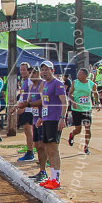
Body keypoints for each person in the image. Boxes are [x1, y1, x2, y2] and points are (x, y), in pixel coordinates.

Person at [34, 61, 69, 190]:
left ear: (52, 71)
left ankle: (56, 179)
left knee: (54, 148)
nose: (44, 72)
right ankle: (52, 177)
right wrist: (41, 118)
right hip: (47, 119)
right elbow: (45, 103)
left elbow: (64, 102)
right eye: (42, 70)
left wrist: (62, 118)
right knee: (48, 147)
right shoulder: (45, 85)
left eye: (46, 70)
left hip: (55, 119)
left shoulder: (57, 84)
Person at [67, 68, 98, 154]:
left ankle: (86, 147)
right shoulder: (75, 83)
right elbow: (70, 94)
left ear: (85, 76)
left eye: (80, 74)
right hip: (76, 109)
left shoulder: (91, 84)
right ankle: (72, 135)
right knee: (78, 130)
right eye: (78, 74)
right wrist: (73, 102)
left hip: (87, 109)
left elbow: (95, 93)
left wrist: (97, 102)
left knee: (88, 128)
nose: (78, 76)